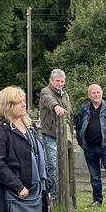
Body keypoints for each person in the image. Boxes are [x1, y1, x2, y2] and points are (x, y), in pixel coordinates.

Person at [76, 84, 106, 209]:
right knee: (95, 177)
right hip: (90, 148)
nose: (96, 95)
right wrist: (82, 143)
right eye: (94, 93)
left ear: (102, 93)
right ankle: (97, 201)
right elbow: (78, 128)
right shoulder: (84, 110)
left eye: (98, 92)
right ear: (89, 95)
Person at [37, 68, 72, 201]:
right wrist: (56, 107)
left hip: (63, 135)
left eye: (62, 81)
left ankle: (64, 192)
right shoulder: (46, 91)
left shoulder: (65, 95)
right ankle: (54, 194)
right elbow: (49, 101)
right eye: (57, 81)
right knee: (53, 164)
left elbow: (69, 112)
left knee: (64, 163)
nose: (60, 83)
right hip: (50, 134)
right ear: (51, 81)